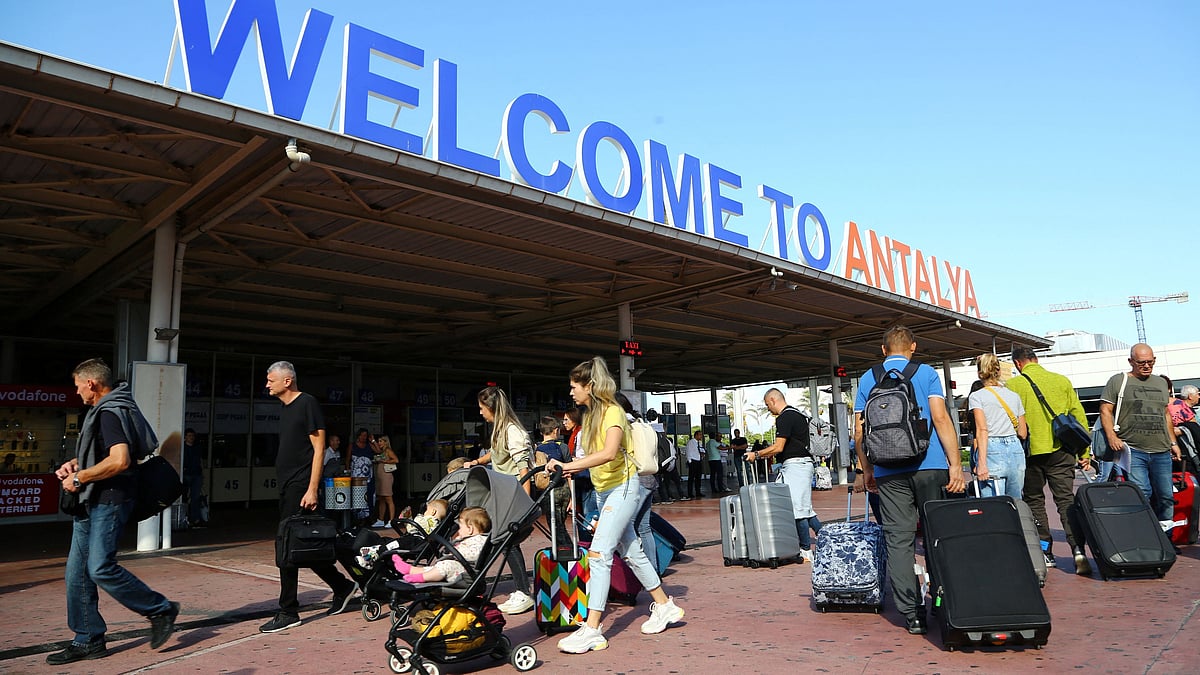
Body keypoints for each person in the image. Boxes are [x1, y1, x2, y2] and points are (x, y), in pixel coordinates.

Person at [545, 356, 684, 654]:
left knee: (598, 554)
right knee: (631, 551)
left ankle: (592, 629)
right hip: (605, 490)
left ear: (590, 386)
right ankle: (664, 605)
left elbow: (609, 453)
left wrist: (570, 466)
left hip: (623, 488)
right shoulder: (593, 415)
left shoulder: (611, 412)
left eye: (574, 386)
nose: (571, 392)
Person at [47, 358, 179, 665]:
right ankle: (87, 639)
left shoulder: (109, 412)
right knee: (76, 575)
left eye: (78, 385)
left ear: (91, 384)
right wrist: (76, 465)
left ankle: (160, 609)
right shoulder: (111, 408)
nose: (76, 391)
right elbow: (107, 454)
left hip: (109, 500)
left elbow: (120, 460)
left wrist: (80, 478)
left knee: (100, 568)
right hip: (92, 501)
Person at [852, 326, 964, 636]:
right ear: (912, 346)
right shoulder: (926, 372)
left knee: (899, 541)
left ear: (883, 349)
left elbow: (859, 432)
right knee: (936, 536)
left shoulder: (868, 378)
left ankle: (912, 614)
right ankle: (945, 601)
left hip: (888, 470)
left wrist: (867, 470)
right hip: (930, 465)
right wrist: (956, 464)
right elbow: (940, 418)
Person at [260, 361, 356, 634]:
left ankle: (288, 610)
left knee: (287, 546)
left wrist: (312, 488)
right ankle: (343, 586)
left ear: (287, 381)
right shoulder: (286, 408)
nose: (267, 384)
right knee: (305, 543)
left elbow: (319, 448)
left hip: (301, 486)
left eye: (271, 380)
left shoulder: (307, 403)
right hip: (288, 484)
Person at [1007, 345, 1092, 575]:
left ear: (1017, 364)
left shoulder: (1013, 385)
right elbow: (1078, 415)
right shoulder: (1061, 381)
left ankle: (1046, 552)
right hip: (1062, 450)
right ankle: (1078, 550)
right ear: (1036, 359)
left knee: (1034, 502)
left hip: (1030, 453)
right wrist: (1084, 452)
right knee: (1066, 501)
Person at [463, 386, 534, 615]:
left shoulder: (512, 431)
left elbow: (524, 470)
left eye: (482, 408)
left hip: (512, 496)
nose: (481, 413)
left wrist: (525, 503)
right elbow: (495, 454)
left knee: (506, 542)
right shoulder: (499, 429)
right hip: (502, 493)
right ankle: (479, 584)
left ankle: (523, 592)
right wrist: (477, 462)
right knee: (499, 541)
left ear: (491, 408)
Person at [1099, 344, 1180, 527]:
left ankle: (1165, 538)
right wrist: (1112, 436)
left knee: (1166, 495)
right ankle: (1146, 535)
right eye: (1141, 362)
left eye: (1150, 362)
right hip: (1132, 449)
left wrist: (1173, 442)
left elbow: (1165, 413)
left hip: (1161, 449)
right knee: (1143, 492)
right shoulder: (1118, 381)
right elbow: (1105, 410)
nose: (1146, 366)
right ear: (1131, 361)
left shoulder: (1160, 383)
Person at [747, 389, 821, 563]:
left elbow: (778, 447)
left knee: (798, 510)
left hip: (796, 466)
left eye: (767, 405)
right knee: (805, 508)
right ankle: (827, 537)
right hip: (801, 465)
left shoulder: (784, 417)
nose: (768, 409)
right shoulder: (798, 413)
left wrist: (756, 455)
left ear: (773, 400)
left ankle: (805, 550)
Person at [966, 354, 1028, 500]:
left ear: (979, 373)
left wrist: (980, 463)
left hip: (992, 448)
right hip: (1015, 449)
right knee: (1015, 503)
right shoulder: (1014, 396)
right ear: (998, 371)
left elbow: (982, 430)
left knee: (993, 505)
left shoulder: (977, 396)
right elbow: (1023, 432)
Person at [615, 392, 659, 573]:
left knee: (628, 526)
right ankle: (654, 570)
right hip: (649, 477)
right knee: (644, 527)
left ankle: (638, 573)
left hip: (636, 479)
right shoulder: (641, 423)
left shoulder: (623, 425)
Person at [390, 507, 491, 584]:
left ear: (470, 529)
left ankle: (422, 578)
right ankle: (412, 570)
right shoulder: (469, 539)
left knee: (445, 566)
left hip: (466, 574)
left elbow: (474, 554)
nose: (459, 530)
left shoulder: (481, 541)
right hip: (460, 567)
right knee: (436, 567)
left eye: (460, 527)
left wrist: (457, 550)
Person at [347, 428, 376, 525]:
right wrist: (348, 472)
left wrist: (373, 440)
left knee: (369, 496)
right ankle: (359, 518)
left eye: (365, 436)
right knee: (358, 496)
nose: (364, 437)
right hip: (356, 476)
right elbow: (347, 460)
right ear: (358, 436)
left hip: (368, 476)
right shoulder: (352, 446)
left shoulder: (369, 445)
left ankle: (370, 516)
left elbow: (379, 451)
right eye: (362, 435)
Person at [372, 435, 400, 527]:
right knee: (382, 499)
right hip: (381, 477)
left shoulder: (388, 450)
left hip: (386, 477)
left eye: (380, 441)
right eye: (378, 441)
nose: (379, 443)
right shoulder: (382, 451)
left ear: (385, 442)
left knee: (388, 498)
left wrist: (385, 461)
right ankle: (380, 519)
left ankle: (391, 520)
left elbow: (396, 460)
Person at [1170, 384, 1200, 458]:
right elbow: (1195, 428)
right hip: (1185, 447)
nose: (1199, 396)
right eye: (1197, 394)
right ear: (1190, 396)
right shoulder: (1182, 408)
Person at [685, 430, 705, 499]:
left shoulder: (700, 443)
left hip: (699, 461)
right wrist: (690, 461)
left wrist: (703, 455)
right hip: (693, 461)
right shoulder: (691, 442)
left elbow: (702, 450)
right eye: (700, 435)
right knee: (691, 478)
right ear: (696, 435)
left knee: (698, 478)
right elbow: (688, 451)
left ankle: (698, 491)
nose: (701, 436)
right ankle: (690, 493)